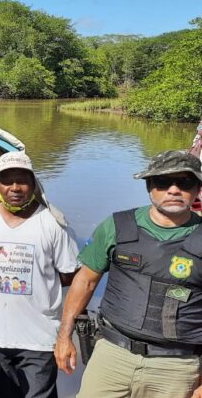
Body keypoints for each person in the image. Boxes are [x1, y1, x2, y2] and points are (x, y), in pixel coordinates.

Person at [55, 150, 202, 398]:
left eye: (185, 182)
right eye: (164, 181)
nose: (174, 190)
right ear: (149, 185)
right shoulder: (116, 226)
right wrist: (64, 336)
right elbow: (86, 281)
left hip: (177, 366)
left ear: (198, 188)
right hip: (112, 355)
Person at [0, 151, 79, 398]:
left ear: (34, 184)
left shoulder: (52, 223)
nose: (15, 187)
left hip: (39, 338)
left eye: (22, 180)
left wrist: (38, 283)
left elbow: (69, 274)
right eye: (7, 180)